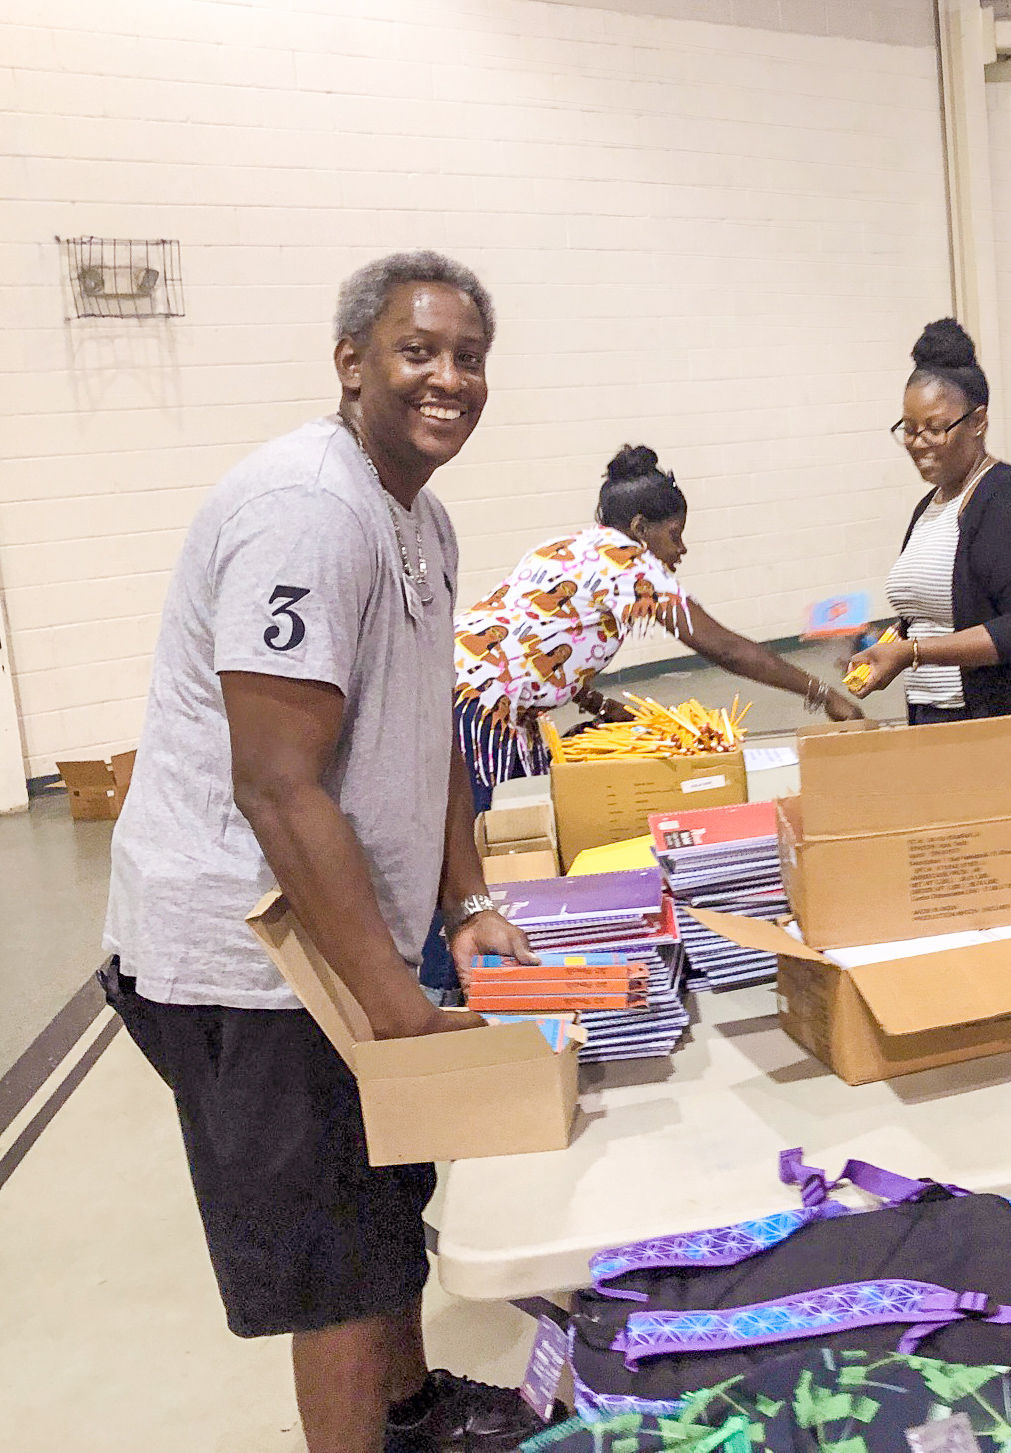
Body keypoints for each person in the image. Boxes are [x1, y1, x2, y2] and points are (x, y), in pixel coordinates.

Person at [100, 251, 547, 1453]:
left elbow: (435, 723)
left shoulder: (423, 517)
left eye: (469, 357)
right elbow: (278, 787)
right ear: (352, 363)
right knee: (334, 1264)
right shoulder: (306, 511)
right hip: (250, 966)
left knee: (381, 1203)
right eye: (419, 350)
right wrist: (396, 1009)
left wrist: (464, 905)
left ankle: (410, 1412)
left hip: (348, 950)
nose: (448, 378)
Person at [847, 316, 1011, 1082]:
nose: (920, 445)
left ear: (978, 420)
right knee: (970, 905)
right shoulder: (932, 505)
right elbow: (941, 605)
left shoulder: (1010, 501)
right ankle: (1000, 1044)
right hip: (947, 734)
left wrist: (912, 648)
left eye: (935, 429)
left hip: (1010, 739)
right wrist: (885, 635)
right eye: (907, 431)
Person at [453, 444, 863, 810]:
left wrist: (602, 706)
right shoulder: (632, 563)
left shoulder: (564, 549)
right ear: (639, 528)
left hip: (455, 684)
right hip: (484, 707)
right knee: (492, 836)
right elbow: (726, 649)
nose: (681, 549)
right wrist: (823, 694)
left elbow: (543, 642)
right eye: (675, 534)